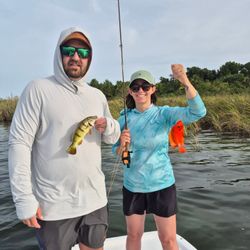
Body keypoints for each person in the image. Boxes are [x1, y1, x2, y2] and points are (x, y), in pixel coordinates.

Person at [8, 27, 120, 250]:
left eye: (83, 53)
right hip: (53, 207)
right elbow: (19, 143)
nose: (76, 57)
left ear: (90, 58)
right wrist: (23, 198)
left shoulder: (97, 95)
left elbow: (112, 137)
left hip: (95, 201)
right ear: (59, 53)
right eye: (69, 50)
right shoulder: (38, 89)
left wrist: (109, 125)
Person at [112, 65, 206, 250]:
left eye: (145, 87)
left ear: (153, 89)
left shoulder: (164, 114)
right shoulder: (123, 119)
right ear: (130, 91)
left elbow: (198, 112)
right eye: (136, 87)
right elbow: (116, 152)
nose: (141, 91)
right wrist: (121, 144)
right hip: (132, 186)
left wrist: (185, 81)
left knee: (168, 240)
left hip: (162, 184)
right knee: (133, 235)